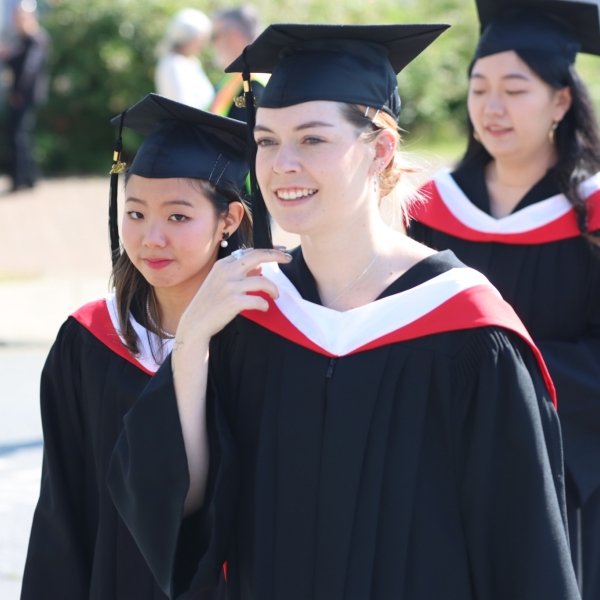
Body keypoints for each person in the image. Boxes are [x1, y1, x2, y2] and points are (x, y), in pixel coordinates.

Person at [108, 25, 580, 600]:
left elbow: (523, 548)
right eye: (265, 141)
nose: (281, 165)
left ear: (379, 150)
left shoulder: (467, 328)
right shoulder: (253, 314)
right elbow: (177, 508)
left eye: (312, 140)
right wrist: (192, 345)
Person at [20, 93, 251, 600]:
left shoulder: (266, 344)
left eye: (178, 217)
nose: (151, 238)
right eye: (136, 212)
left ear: (229, 220)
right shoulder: (88, 341)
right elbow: (63, 515)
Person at [408, 1, 600, 597]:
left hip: (564, 463)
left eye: (515, 90)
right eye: (479, 87)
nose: (491, 108)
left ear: (561, 101)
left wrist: (503, 380)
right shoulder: (428, 212)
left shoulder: (592, 217)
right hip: (442, 458)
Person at [0, 0, 49, 192]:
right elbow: (16, 61)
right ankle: (28, 178)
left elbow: (30, 69)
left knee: (19, 137)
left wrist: (19, 92)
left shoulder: (36, 38)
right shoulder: (23, 39)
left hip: (24, 97)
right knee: (21, 137)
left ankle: (21, 179)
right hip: (20, 95)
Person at [208, 6, 268, 121]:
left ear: (233, 37)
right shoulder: (234, 79)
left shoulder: (252, 83)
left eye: (215, 36)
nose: (213, 44)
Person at [155, 9, 214, 110]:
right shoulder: (173, 64)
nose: (203, 45)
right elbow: (184, 106)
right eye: (200, 39)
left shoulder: (192, 62)